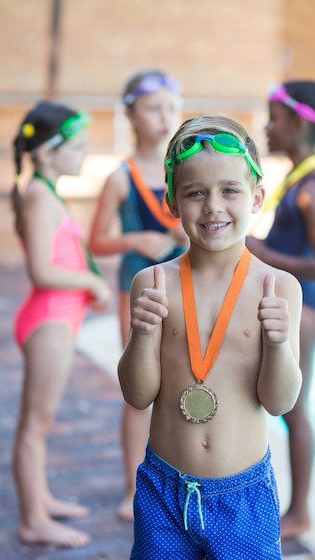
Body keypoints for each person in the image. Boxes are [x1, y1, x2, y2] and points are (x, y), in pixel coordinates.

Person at [118, 114, 302, 560]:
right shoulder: (153, 284)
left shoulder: (276, 288)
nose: (213, 206)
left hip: (243, 494)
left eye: (229, 190)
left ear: (258, 196)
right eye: (195, 193)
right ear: (172, 201)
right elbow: (137, 394)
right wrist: (143, 335)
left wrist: (280, 344)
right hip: (164, 488)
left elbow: (280, 401)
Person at [246, 80, 315, 539]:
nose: (267, 127)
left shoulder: (313, 191)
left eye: (273, 118)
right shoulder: (300, 180)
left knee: (294, 410)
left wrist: (260, 251)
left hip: (306, 308)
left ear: (298, 123)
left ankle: (300, 513)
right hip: (294, 303)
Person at [11, 101, 112, 548]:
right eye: (77, 147)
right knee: (35, 424)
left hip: (59, 322)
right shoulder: (37, 197)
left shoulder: (47, 193)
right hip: (48, 322)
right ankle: (33, 519)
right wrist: (91, 279)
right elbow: (41, 270)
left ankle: (42, 499)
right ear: (48, 152)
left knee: (42, 423)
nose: (84, 155)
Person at [89, 69, 188, 521]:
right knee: (139, 390)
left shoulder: (184, 169)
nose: (165, 117)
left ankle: (183, 476)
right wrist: (135, 241)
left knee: (183, 380)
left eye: (172, 106)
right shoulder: (121, 177)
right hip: (137, 286)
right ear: (130, 114)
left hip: (184, 286)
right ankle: (134, 487)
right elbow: (96, 242)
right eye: (153, 108)